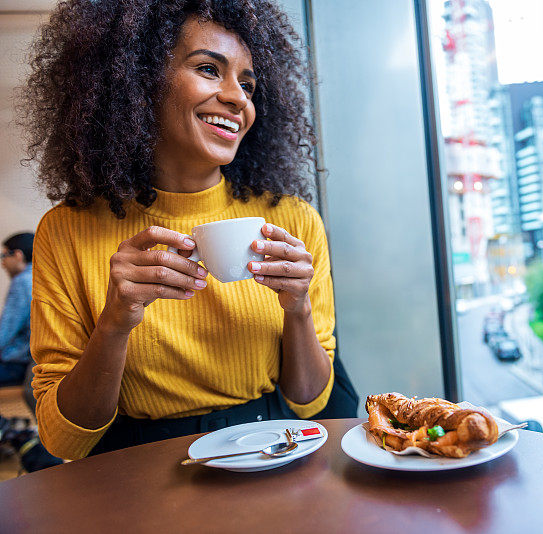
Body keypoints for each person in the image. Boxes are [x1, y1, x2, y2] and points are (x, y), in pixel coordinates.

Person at [21, 0, 355, 460]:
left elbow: (311, 401)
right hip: (136, 473)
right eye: (208, 69)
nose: (238, 97)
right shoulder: (67, 231)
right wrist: (116, 321)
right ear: (137, 80)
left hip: (271, 454)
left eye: (248, 83)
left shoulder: (294, 220)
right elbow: (65, 440)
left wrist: (297, 309)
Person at [0, 233, 34, 387]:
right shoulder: (39, 276)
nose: (3, 262)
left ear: (18, 255)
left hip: (18, 363)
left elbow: (5, 333)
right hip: (33, 360)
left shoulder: (22, 281)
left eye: (4, 255)